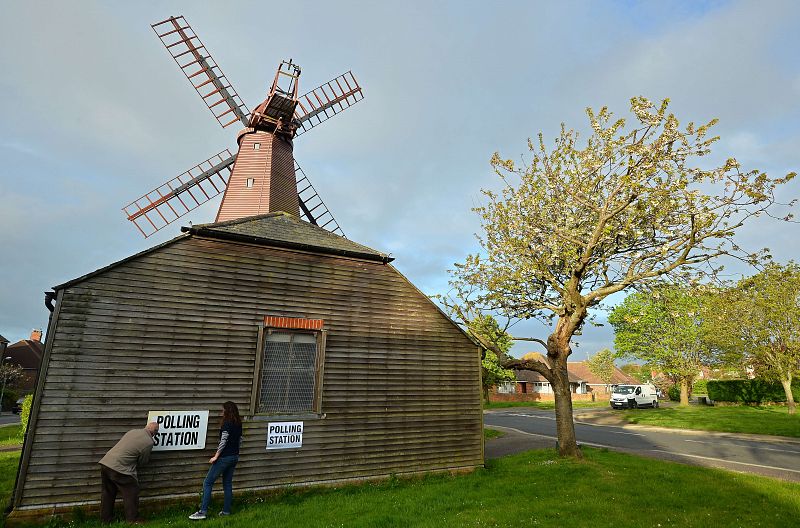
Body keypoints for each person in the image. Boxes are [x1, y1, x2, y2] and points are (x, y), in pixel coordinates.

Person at [189, 401, 243, 520]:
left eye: (223, 410)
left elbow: (223, 441)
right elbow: (240, 440)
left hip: (224, 457)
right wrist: (235, 452)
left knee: (208, 483)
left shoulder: (227, 424)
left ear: (227, 411)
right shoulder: (238, 424)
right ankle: (226, 511)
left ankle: (202, 511)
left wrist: (216, 456)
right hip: (234, 457)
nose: (221, 412)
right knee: (227, 484)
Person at [98, 421, 159, 524]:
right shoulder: (149, 442)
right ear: (155, 433)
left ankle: (105, 519)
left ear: (146, 427)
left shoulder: (133, 431)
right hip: (120, 468)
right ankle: (133, 519)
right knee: (132, 491)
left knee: (108, 493)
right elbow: (143, 462)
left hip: (106, 463)